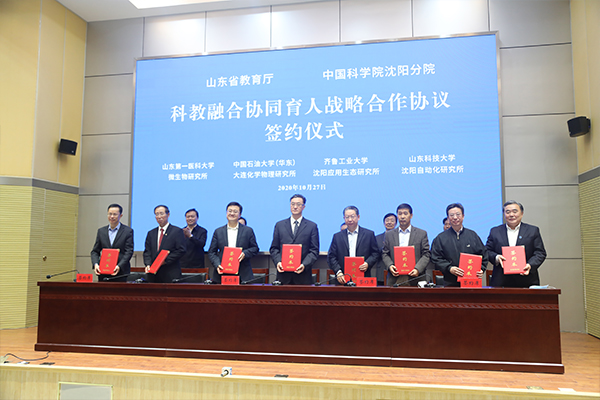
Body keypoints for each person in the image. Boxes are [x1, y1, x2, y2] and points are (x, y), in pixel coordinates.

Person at [486, 201, 547, 287]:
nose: (511, 215)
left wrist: (530, 265)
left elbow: (540, 253)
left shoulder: (532, 230)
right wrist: (496, 257)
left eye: (515, 211)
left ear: (522, 213)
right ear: (504, 214)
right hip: (501, 281)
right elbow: (487, 251)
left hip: (526, 279)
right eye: (508, 212)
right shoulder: (495, 231)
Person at [430, 203, 488, 287]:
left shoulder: (472, 235)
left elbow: (484, 255)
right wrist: (449, 268)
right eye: (451, 215)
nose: (455, 217)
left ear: (463, 216)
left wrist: (481, 269)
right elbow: (435, 258)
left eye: (458, 214)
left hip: (471, 281)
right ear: (448, 218)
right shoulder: (440, 238)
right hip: (450, 282)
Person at [270, 194, 319, 285]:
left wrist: (304, 265)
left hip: (303, 276)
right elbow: (274, 248)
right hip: (283, 275)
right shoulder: (280, 225)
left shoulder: (311, 226)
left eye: (298, 204)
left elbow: (314, 250)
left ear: (303, 207)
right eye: (292, 204)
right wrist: (278, 262)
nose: (295, 207)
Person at [208, 202, 259, 284]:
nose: (232, 213)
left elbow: (255, 248)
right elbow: (211, 252)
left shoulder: (248, 231)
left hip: (243, 274)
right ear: (226, 213)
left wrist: (245, 253)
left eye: (235, 211)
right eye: (230, 211)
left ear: (240, 215)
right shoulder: (218, 231)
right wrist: (217, 264)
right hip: (222, 272)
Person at [327, 206, 380, 284]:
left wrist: (367, 263)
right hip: (343, 278)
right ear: (344, 218)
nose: (350, 219)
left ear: (358, 217)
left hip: (363, 277)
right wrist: (338, 272)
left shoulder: (369, 234)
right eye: (347, 217)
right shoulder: (337, 236)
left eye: (352, 216)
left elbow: (375, 253)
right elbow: (331, 257)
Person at [382, 204, 430, 286]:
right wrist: (390, 266)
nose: (402, 217)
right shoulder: (389, 235)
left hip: (415, 278)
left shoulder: (421, 233)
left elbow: (426, 254)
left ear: (411, 215)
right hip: (395, 278)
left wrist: (418, 269)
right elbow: (385, 253)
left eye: (405, 213)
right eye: (400, 214)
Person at [90, 203, 134, 282]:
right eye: (110, 214)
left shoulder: (127, 231)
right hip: (103, 272)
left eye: (115, 214)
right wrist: (96, 264)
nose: (112, 216)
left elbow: (128, 252)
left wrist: (119, 266)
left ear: (120, 216)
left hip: (120, 272)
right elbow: (95, 251)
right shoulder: (101, 231)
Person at [143, 205, 186, 283]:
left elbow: (181, 250)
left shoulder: (177, 231)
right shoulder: (151, 233)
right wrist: (148, 264)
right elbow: (147, 252)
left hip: (170, 272)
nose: (159, 217)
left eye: (161, 213)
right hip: (154, 274)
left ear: (168, 214)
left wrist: (165, 260)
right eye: (157, 214)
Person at [374, 213, 397, 285]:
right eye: (387, 220)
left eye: (392, 220)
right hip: (381, 271)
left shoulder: (399, 237)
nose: (389, 222)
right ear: (384, 223)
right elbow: (374, 253)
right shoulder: (377, 238)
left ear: (396, 223)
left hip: (396, 271)